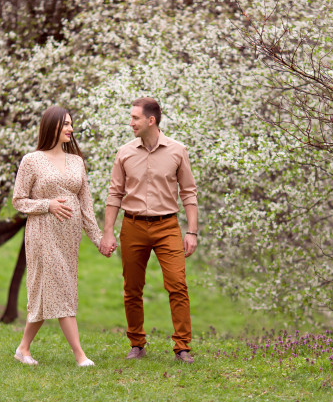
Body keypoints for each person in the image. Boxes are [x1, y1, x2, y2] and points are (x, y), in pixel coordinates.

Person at [12, 105, 115, 367]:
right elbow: (19, 200)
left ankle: (23, 348)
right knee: (62, 290)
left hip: (69, 238)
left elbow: (86, 204)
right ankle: (80, 356)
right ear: (52, 126)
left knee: (51, 291)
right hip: (42, 234)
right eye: (66, 124)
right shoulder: (32, 160)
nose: (71, 128)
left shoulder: (77, 161)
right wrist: (47, 205)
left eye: (71, 123)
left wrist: (98, 239)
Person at [100, 97, 198, 364]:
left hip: (167, 226)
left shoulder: (178, 150)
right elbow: (114, 194)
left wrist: (192, 232)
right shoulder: (124, 152)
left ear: (151, 120)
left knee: (177, 285)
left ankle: (182, 347)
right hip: (132, 225)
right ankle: (137, 344)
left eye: (135, 118)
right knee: (132, 288)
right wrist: (108, 232)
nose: (131, 123)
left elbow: (189, 192)